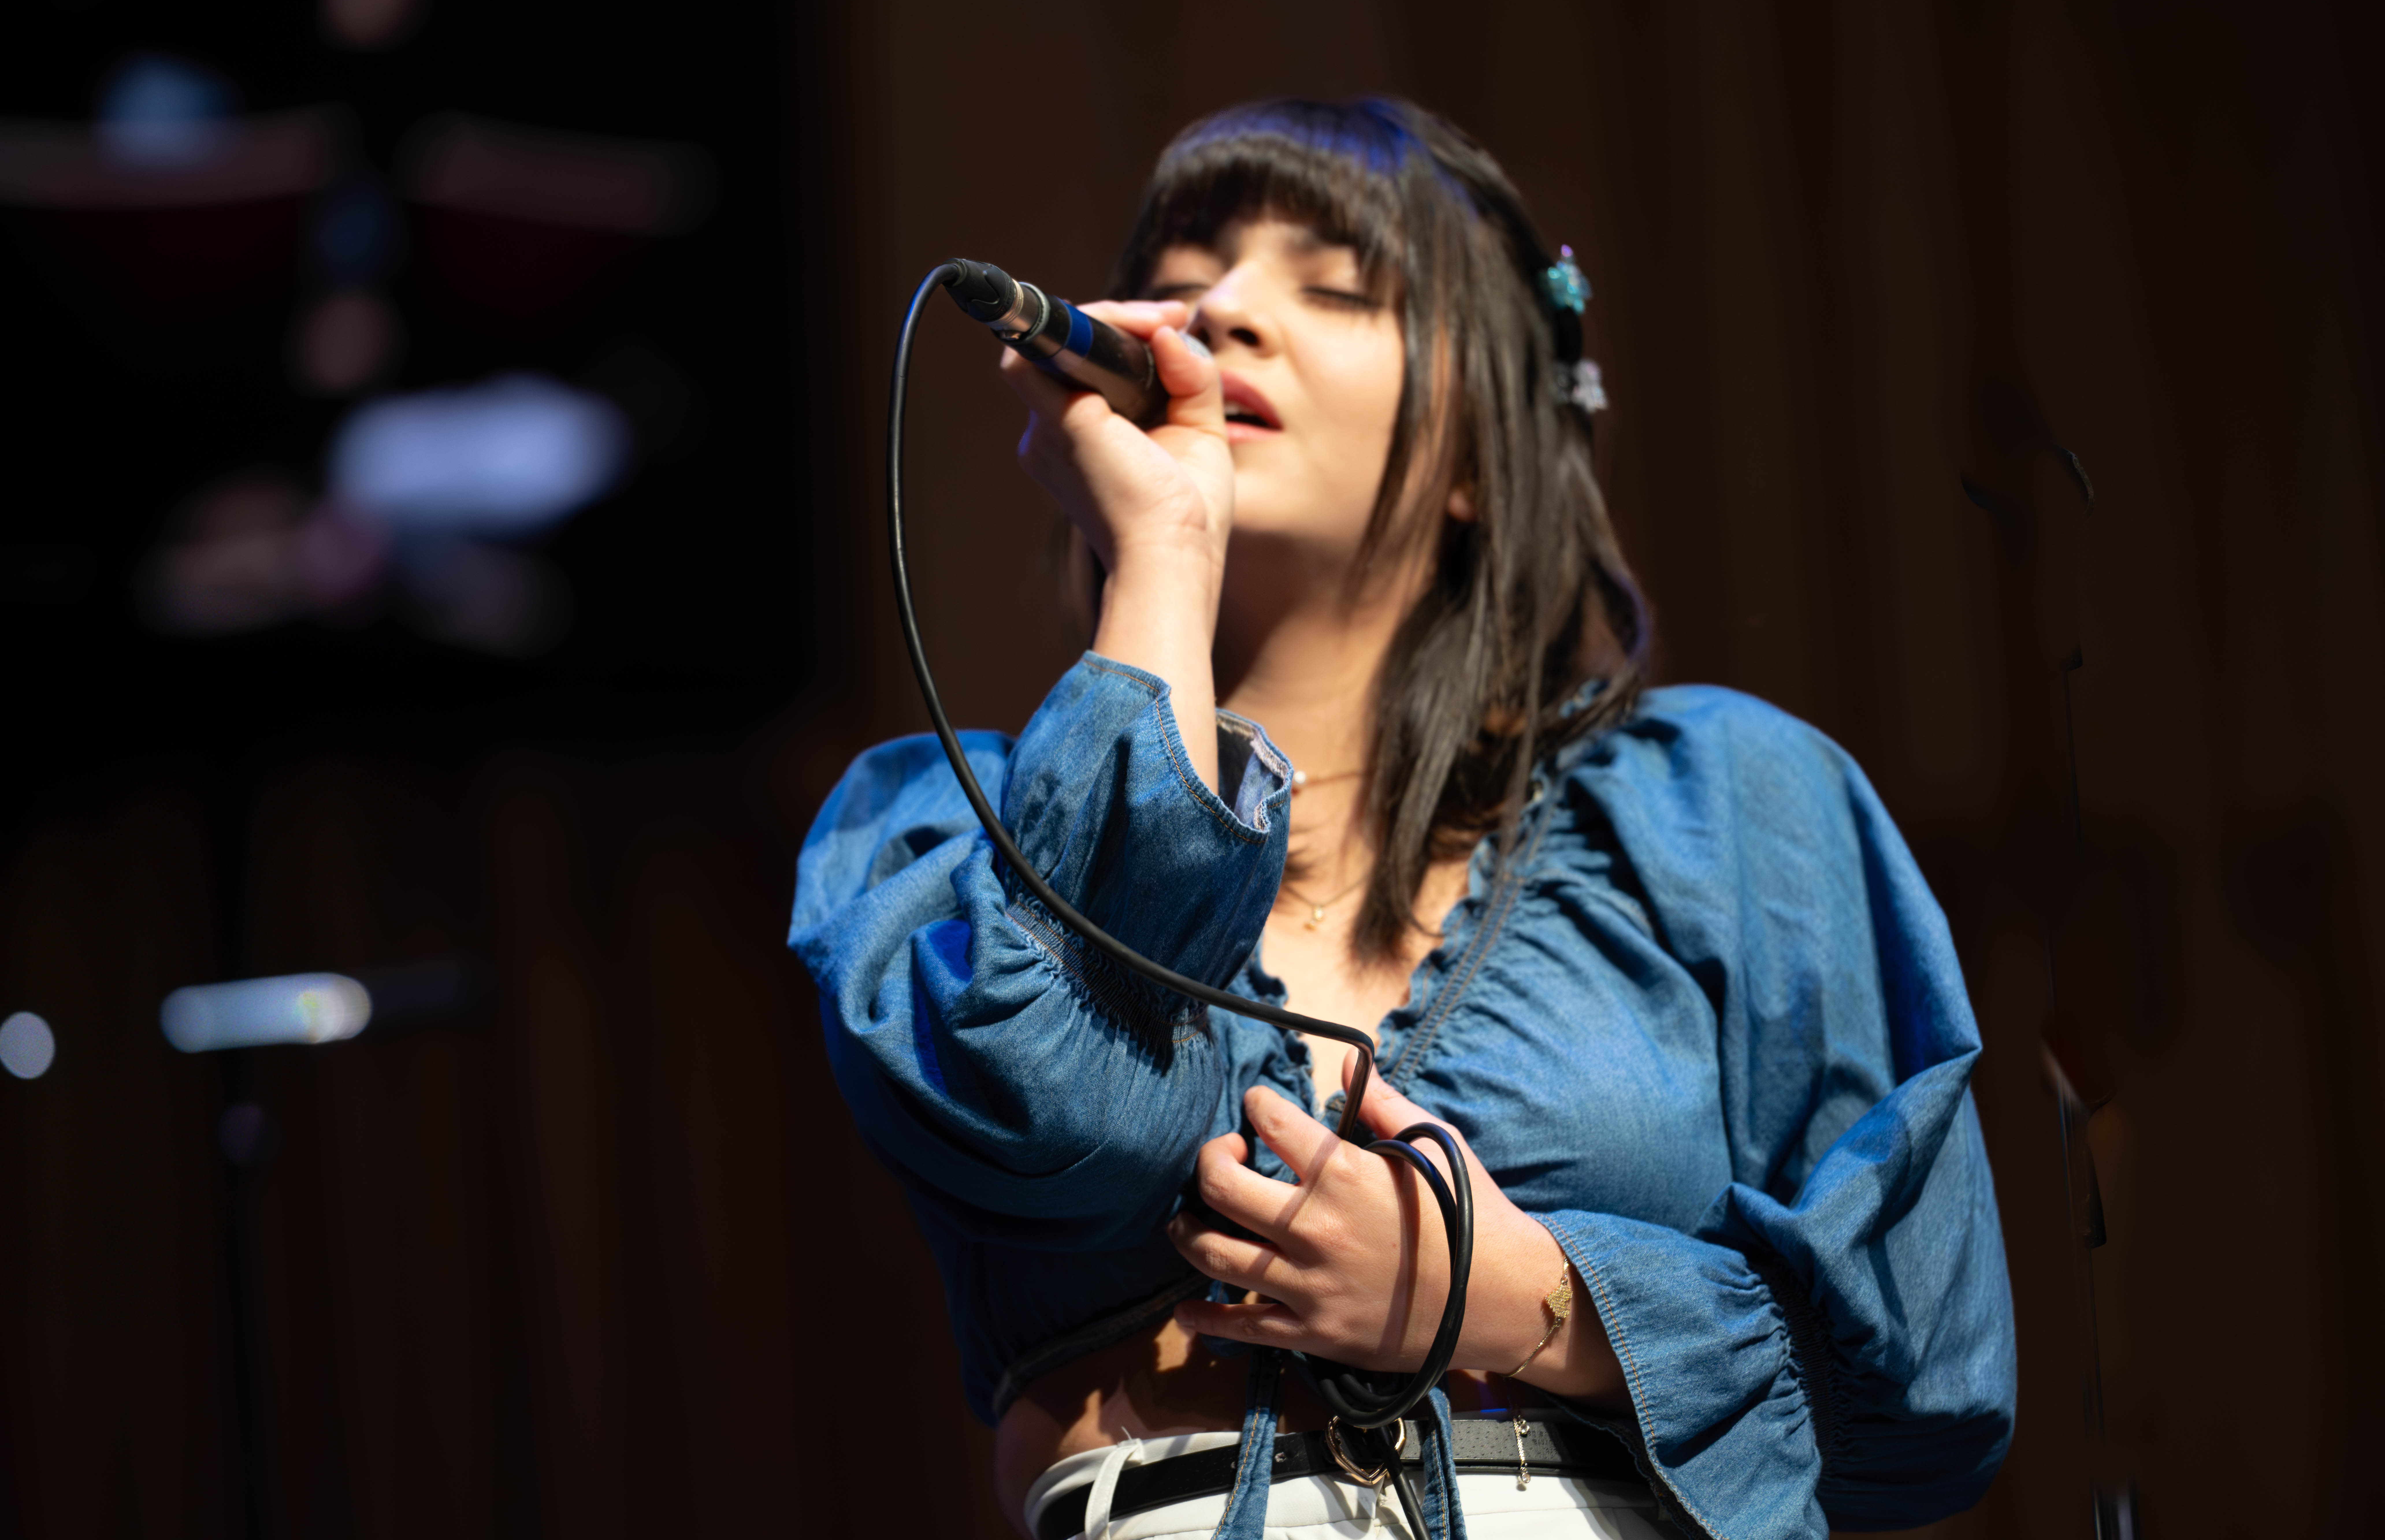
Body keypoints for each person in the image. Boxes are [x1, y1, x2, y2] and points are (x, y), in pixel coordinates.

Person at [791, 99, 2015, 1540]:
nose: (1226, 307)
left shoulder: (1725, 804)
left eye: (1334, 286)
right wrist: (1167, 558)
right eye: (1194, 266)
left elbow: (1924, 1373)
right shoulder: (949, 828)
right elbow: (1055, 1101)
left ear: (1477, 462)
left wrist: (1519, 1300)